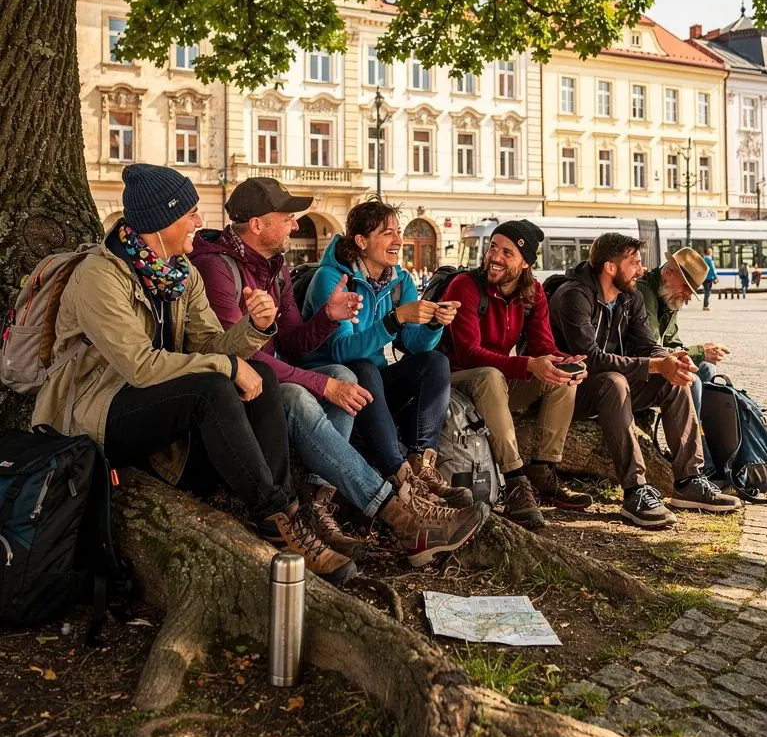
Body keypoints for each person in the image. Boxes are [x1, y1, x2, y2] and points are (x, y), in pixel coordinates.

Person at [31, 163, 356, 587]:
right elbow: (141, 365)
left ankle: (286, 514)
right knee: (212, 386)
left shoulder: (180, 273)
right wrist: (228, 365)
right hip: (95, 412)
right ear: (160, 221)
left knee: (261, 373)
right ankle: (275, 517)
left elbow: (210, 345)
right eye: (190, 213)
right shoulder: (100, 276)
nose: (200, 221)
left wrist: (252, 329)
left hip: (158, 402)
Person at [193, 175, 402, 559]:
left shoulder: (276, 266)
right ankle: (389, 506)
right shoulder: (216, 269)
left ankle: (319, 501)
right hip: (238, 387)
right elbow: (245, 356)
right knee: (305, 392)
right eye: (287, 217)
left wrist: (327, 316)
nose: (295, 224)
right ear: (257, 225)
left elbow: (291, 343)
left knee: (343, 376)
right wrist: (320, 387)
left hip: (273, 374)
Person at [301, 200, 487, 564]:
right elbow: (340, 350)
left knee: (434, 361)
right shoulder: (333, 279)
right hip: (330, 377)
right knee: (364, 368)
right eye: (387, 233)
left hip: (369, 379)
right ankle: (400, 477)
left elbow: (412, 344)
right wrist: (393, 320)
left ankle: (423, 465)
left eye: (399, 232)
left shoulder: (400, 281)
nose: (397, 240)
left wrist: (433, 323)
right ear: (361, 240)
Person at [548, 233, 738, 529]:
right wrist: (654, 364)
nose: (641, 270)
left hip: (613, 385)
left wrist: (669, 361)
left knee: (676, 380)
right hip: (570, 390)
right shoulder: (575, 296)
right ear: (610, 267)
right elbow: (591, 359)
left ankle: (689, 481)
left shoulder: (631, 295)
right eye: (634, 263)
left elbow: (647, 345)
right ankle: (635, 490)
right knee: (614, 381)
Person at [443, 220, 591, 528]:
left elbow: (542, 347)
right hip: (457, 384)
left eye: (506, 252)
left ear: (525, 262)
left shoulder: (534, 292)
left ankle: (543, 473)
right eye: (493, 247)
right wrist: (527, 365)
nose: (494, 256)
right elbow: (469, 354)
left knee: (560, 378)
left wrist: (567, 361)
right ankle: (515, 481)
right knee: (490, 375)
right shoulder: (465, 286)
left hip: (495, 385)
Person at [636, 248, 730, 473]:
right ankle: (696, 465)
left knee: (706, 369)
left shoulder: (668, 295)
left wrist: (692, 355)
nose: (688, 296)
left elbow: (674, 343)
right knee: (692, 381)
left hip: (655, 362)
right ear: (669, 273)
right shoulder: (644, 293)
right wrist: (698, 351)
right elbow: (652, 348)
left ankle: (715, 451)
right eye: (687, 288)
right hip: (639, 367)